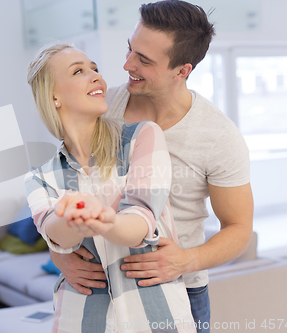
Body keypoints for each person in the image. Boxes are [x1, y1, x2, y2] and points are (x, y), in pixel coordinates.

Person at [49, 1, 254, 332]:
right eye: (130, 49)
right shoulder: (101, 109)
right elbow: (59, 186)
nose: (127, 63)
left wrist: (187, 260)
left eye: (144, 60)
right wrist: (59, 254)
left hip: (179, 288)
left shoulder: (218, 137)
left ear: (182, 70)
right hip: (102, 286)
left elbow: (239, 228)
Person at [25, 42, 196, 332]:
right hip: (79, 318)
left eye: (95, 68)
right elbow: (55, 234)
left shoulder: (141, 137)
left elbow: (141, 220)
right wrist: (71, 219)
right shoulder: (39, 177)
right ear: (53, 96)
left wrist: (101, 219)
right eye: (79, 71)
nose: (96, 76)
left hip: (155, 315)